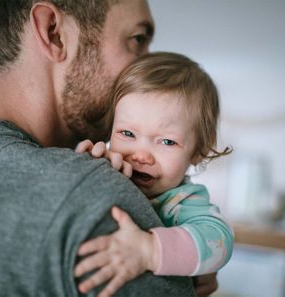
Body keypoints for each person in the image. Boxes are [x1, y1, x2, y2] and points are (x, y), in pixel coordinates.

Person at [0, 1, 211, 296]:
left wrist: (188, 252)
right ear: (54, 32)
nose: (144, 67)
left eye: (167, 141)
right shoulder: (91, 193)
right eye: (137, 40)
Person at [74, 52, 234, 297]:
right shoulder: (109, 163)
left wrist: (149, 251)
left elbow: (220, 241)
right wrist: (91, 160)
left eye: (167, 141)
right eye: (127, 134)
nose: (141, 155)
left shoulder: (182, 202)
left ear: (198, 151)